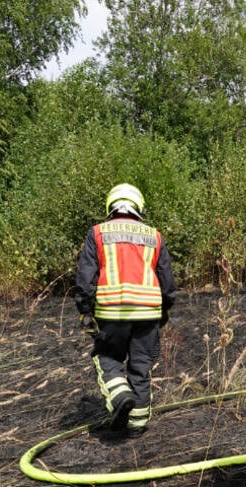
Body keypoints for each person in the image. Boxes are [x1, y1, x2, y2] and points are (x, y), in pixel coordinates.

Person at [75, 183, 176, 437]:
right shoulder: (155, 235)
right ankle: (136, 427)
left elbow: (85, 276)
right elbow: (167, 280)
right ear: (138, 206)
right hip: (148, 314)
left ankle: (120, 396)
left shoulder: (97, 233)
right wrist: (164, 311)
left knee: (106, 357)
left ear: (111, 205)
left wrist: (85, 310)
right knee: (140, 367)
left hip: (111, 312)